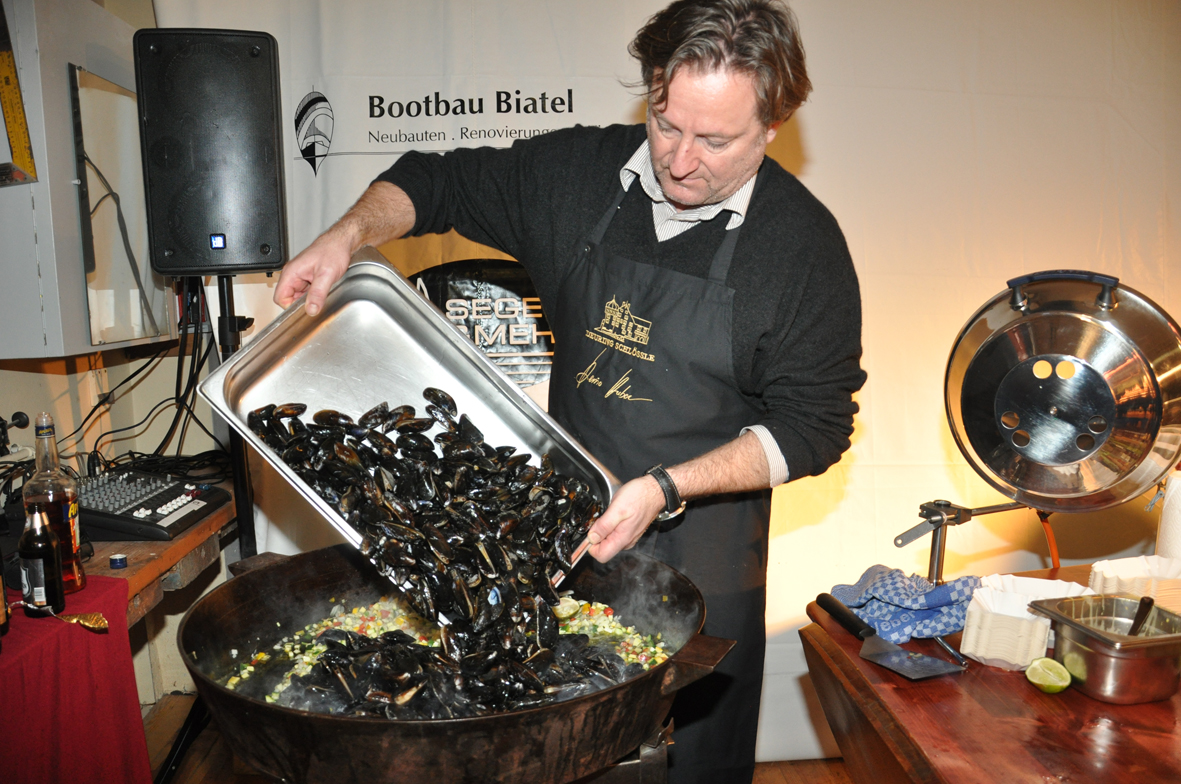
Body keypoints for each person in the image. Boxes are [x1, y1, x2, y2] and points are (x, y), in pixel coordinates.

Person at [275, 1, 865, 781]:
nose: (679, 160)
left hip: (707, 551)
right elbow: (432, 180)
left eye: (715, 141)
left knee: (693, 760)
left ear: (772, 125)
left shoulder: (802, 248)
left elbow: (814, 428)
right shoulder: (575, 175)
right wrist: (348, 233)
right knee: (562, 752)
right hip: (567, 532)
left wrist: (662, 489)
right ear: (650, 89)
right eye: (665, 124)